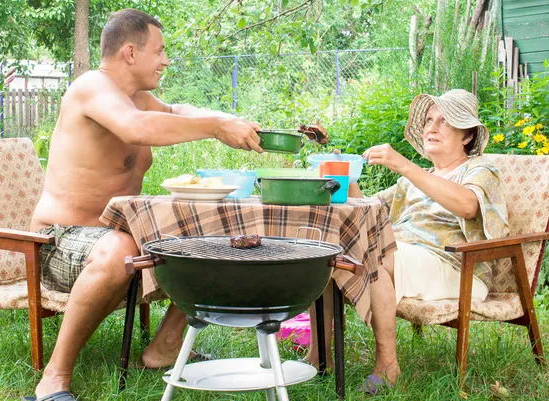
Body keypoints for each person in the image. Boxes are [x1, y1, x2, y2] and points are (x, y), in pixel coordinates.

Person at [25, 8, 263, 401]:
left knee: (214, 237)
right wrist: (216, 129)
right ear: (131, 53)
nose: (166, 60)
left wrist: (233, 121)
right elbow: (135, 127)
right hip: (56, 243)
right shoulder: (92, 88)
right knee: (121, 248)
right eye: (160, 51)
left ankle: (164, 348)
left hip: (114, 237)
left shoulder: (136, 97)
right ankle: (54, 378)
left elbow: (179, 112)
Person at [305, 89, 509, 394]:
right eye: (428, 120)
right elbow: (369, 210)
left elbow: (467, 205)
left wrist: (403, 165)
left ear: (467, 136)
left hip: (457, 267)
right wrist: (347, 177)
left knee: (375, 254)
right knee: (324, 251)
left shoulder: (479, 170)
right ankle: (319, 356)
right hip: (404, 255)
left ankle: (387, 365)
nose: (432, 127)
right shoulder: (415, 178)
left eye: (445, 121)